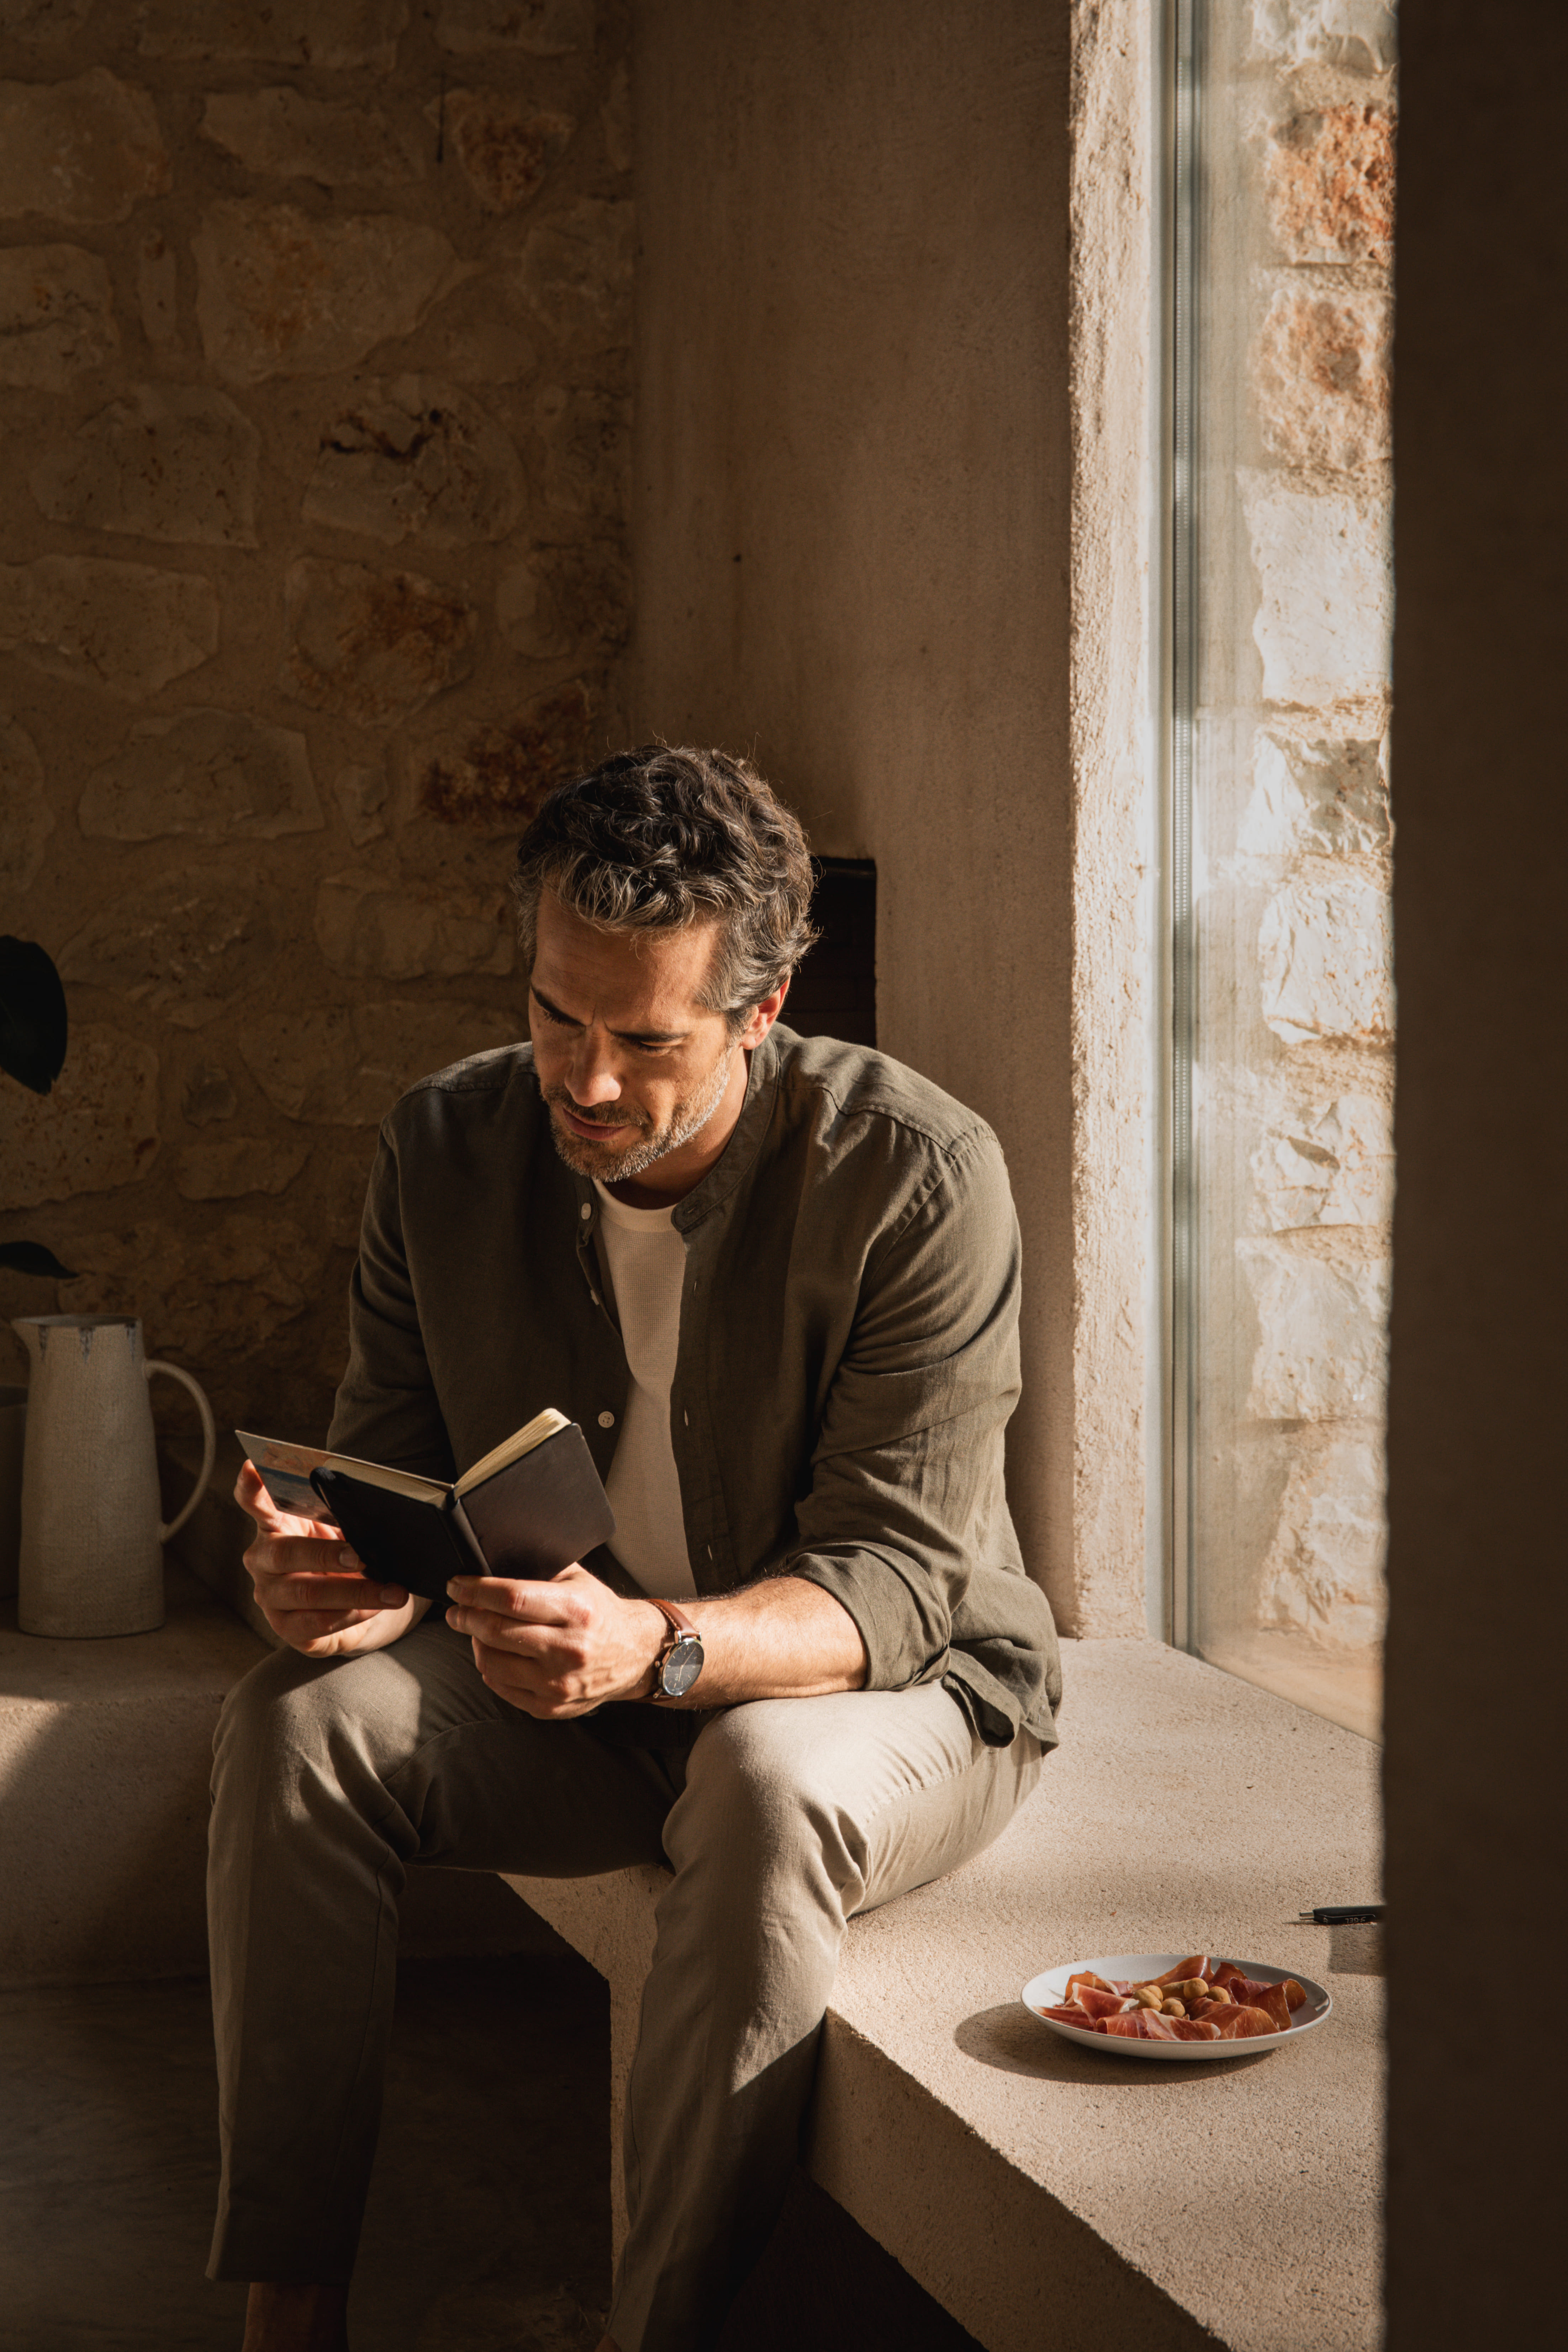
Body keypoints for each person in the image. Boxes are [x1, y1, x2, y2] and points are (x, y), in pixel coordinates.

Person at [210, 745, 1062, 2352]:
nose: (584, 1082)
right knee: (295, 1729)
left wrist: (658, 1647)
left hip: (897, 1696)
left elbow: (897, 1577)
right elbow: (384, 1464)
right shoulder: (445, 1144)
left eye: (645, 1039)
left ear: (764, 1009)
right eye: (554, 1015)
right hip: (574, 1702)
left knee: (757, 1778)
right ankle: (289, 2310)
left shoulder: (919, 1175)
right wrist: (323, 1578)